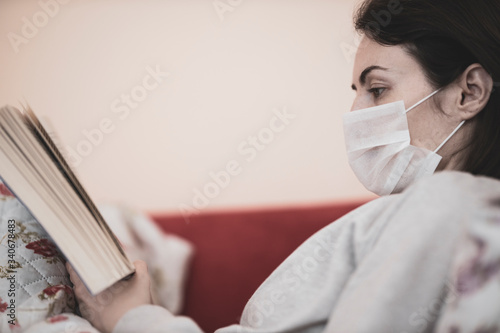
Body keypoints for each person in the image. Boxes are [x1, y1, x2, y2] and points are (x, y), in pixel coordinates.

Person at [26, 0, 500, 332]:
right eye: (355, 92)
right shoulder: (416, 214)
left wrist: (134, 319)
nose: (357, 114)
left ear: (469, 93)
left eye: (376, 89)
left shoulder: (450, 203)